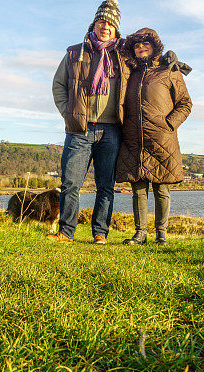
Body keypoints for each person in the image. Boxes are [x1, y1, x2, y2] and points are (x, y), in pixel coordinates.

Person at [48, 0, 129, 245]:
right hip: (79, 130)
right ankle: (66, 232)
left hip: (111, 130)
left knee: (105, 185)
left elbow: (148, 63)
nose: (106, 27)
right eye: (101, 21)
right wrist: (69, 113)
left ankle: (100, 233)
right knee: (71, 183)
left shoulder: (124, 57)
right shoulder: (74, 53)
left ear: (116, 30)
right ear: (93, 25)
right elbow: (58, 86)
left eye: (111, 24)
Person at [115, 28, 192, 245]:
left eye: (145, 44)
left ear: (154, 46)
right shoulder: (129, 72)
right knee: (138, 189)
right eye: (137, 45)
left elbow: (185, 103)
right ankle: (140, 234)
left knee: (161, 188)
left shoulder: (169, 70)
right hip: (133, 139)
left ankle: (161, 235)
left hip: (161, 139)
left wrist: (169, 124)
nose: (141, 48)